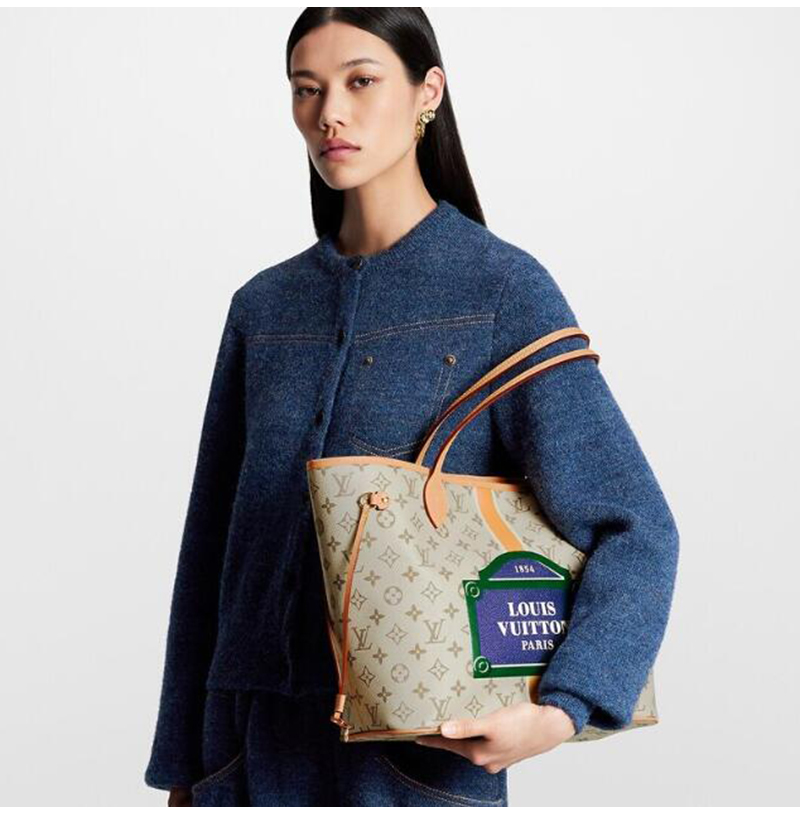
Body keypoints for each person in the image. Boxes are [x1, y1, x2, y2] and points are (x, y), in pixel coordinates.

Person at [144, 8, 679, 807]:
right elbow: (211, 549)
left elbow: (635, 525)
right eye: (306, 89)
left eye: (361, 81)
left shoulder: (501, 291)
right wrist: (184, 769)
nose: (330, 112)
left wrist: (561, 707)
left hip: (411, 763)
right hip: (244, 757)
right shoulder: (263, 307)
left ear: (428, 92)